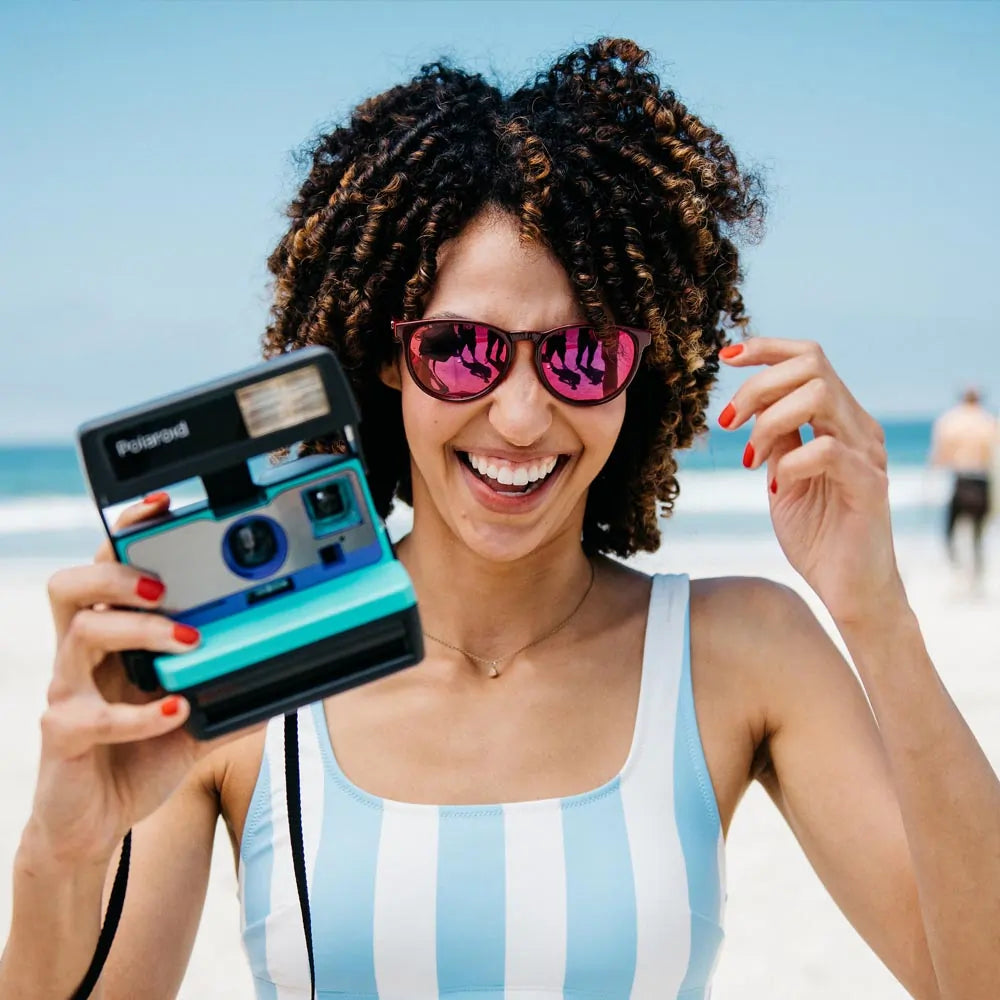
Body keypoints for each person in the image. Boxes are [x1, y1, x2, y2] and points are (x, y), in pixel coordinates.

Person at [2, 38, 999, 1000]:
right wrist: (62, 845)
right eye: (461, 351)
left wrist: (879, 617)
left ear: (636, 375)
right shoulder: (249, 671)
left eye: (579, 355)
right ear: (384, 356)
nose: (520, 416)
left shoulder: (741, 652)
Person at [930, 386, 999, 583]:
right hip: (983, 484)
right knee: (978, 535)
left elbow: (940, 455)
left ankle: (959, 571)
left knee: (949, 532)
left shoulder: (950, 421)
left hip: (962, 482)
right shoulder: (989, 421)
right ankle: (976, 576)